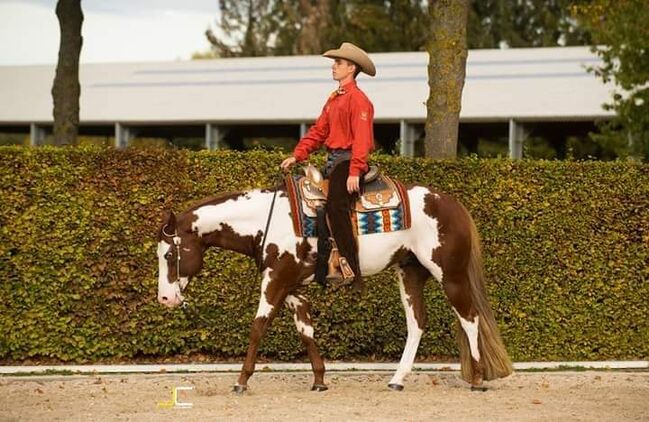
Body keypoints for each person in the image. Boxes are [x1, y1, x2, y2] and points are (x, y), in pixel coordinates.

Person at [280, 42, 375, 291]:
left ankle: (353, 272)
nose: (333, 67)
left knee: (336, 206)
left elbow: (363, 138)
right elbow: (319, 131)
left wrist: (355, 170)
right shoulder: (334, 99)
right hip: (333, 161)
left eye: (338, 63)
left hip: (348, 160)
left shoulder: (359, 100)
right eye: (335, 63)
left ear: (351, 68)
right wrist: (297, 155)